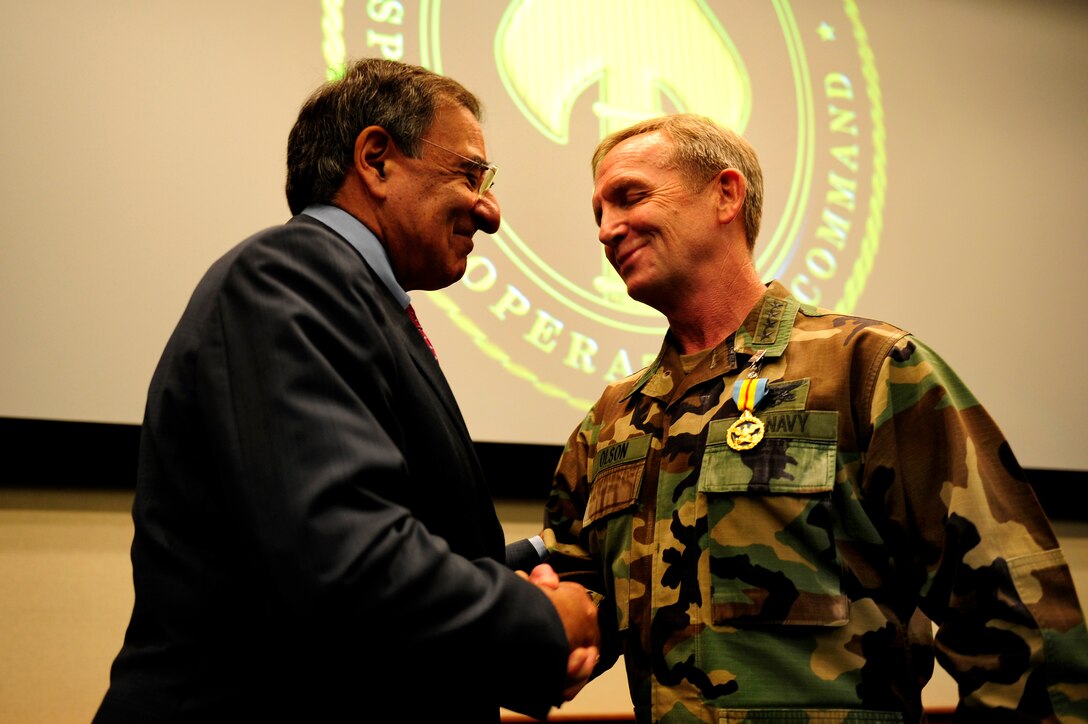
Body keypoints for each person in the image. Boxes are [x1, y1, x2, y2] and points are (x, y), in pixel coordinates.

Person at [93, 57, 599, 723]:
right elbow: (350, 564)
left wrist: (542, 568)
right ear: (377, 159)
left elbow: (378, 543)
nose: (491, 210)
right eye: (470, 175)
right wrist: (539, 621)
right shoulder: (290, 278)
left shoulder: (349, 297)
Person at [537, 113, 1088, 722]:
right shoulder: (612, 421)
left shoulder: (870, 369)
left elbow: (1016, 612)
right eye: (598, 214)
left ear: (725, 195)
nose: (607, 230)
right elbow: (574, 595)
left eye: (630, 197)